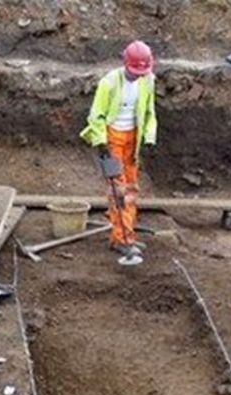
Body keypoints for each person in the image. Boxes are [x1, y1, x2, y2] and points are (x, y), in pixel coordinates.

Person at [80, 40, 158, 266]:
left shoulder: (148, 81)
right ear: (126, 64)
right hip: (112, 140)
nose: (138, 76)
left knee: (131, 189)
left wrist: (149, 137)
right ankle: (124, 239)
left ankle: (123, 235)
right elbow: (96, 116)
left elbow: (149, 112)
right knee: (118, 192)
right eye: (135, 71)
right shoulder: (110, 82)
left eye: (142, 72)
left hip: (132, 139)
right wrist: (101, 143)